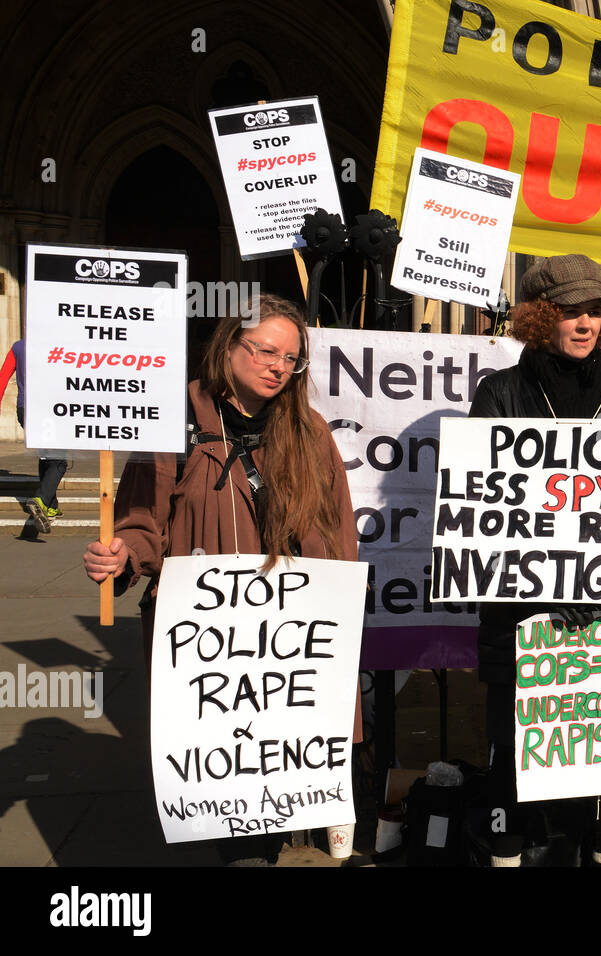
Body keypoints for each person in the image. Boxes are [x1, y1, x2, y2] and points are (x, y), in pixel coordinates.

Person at [82, 294, 359, 865]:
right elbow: (142, 525)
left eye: (291, 358)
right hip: (211, 652)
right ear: (230, 343)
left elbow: (338, 531)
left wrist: (337, 615)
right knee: (224, 796)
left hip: (287, 649)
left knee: (279, 789)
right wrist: (121, 556)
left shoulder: (308, 431)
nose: (277, 366)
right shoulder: (173, 423)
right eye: (264, 350)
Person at [468, 254, 601, 866]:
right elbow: (485, 513)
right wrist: (546, 591)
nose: (585, 324)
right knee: (512, 753)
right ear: (541, 318)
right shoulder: (501, 394)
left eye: (595, 310)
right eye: (570, 311)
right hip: (520, 612)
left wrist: (595, 590)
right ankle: (509, 856)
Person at [0, 338, 69, 533]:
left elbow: (3, 377)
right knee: (59, 461)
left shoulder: (18, 347)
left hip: (25, 409)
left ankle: (51, 506)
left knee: (46, 455)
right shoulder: (53, 345)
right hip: (49, 409)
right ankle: (40, 499)